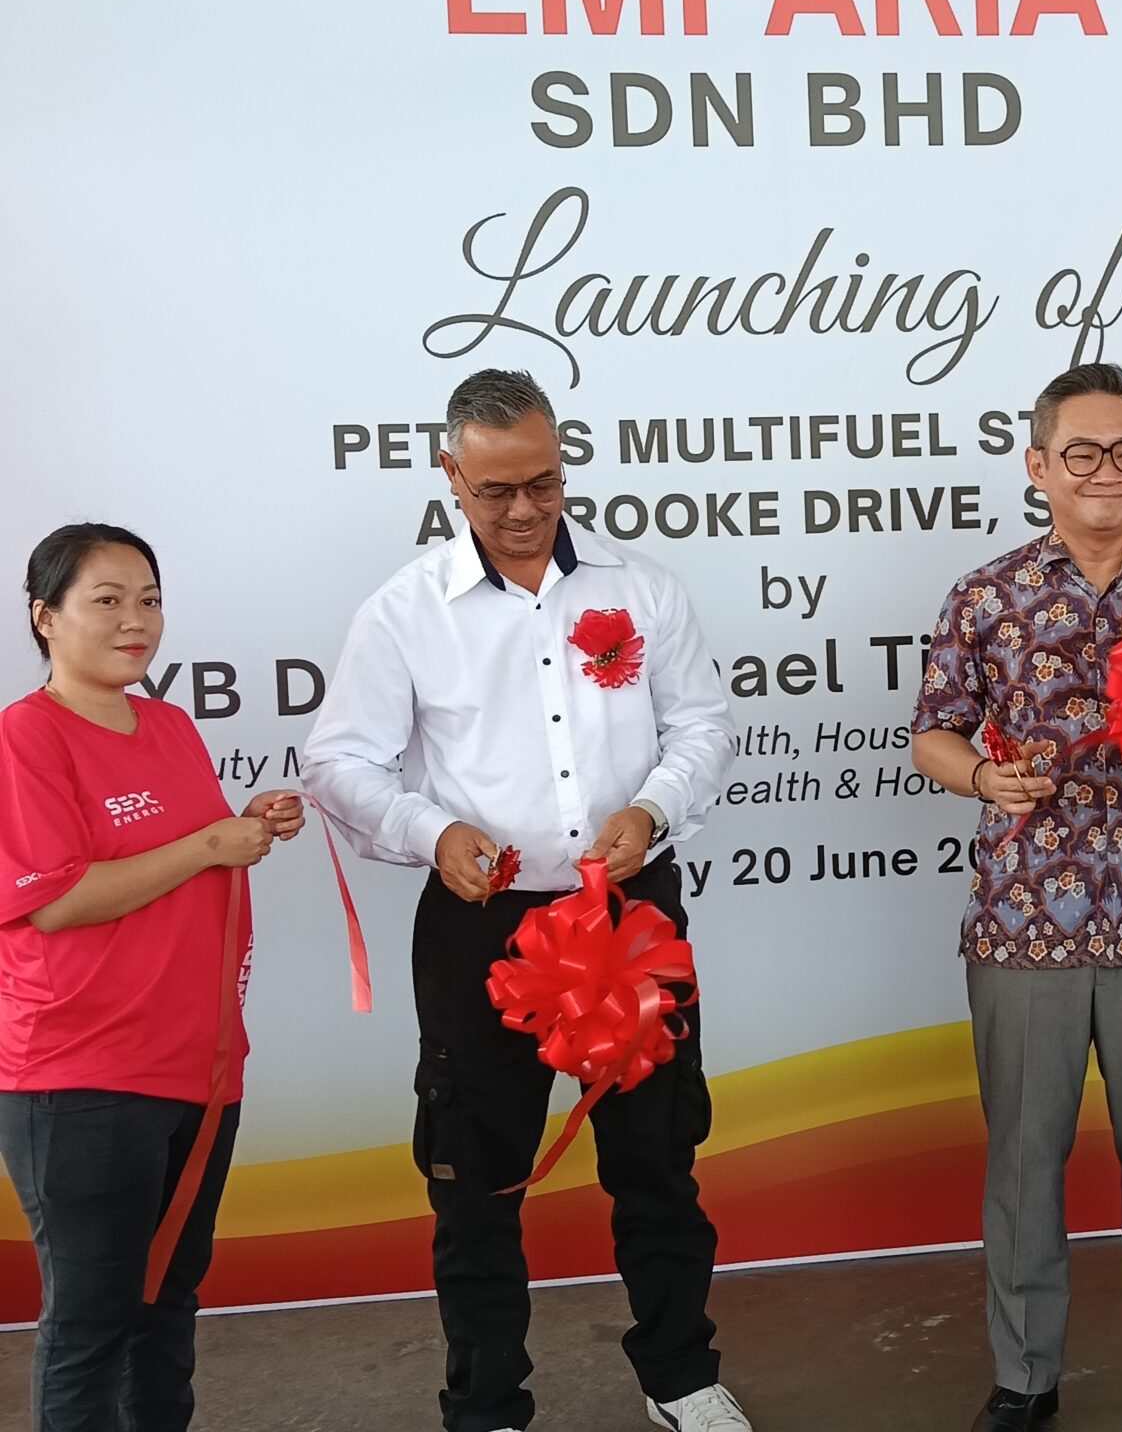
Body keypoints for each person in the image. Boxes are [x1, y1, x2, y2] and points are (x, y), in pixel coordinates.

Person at [302, 370, 743, 1432]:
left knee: (656, 1156)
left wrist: (653, 808)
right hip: (483, 930)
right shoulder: (407, 610)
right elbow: (339, 762)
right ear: (450, 476)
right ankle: (488, 1403)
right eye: (495, 488)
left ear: (563, 465)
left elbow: (702, 726)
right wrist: (430, 831)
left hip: (626, 917)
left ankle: (681, 1377)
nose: (522, 509)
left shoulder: (642, 589)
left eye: (542, 483)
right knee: (475, 1177)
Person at [910, 363, 1122, 1432]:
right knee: (1024, 1164)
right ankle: (1024, 1379)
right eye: (1082, 453)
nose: (1107, 471)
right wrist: (984, 778)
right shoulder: (986, 594)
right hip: (1024, 921)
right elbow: (932, 733)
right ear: (1038, 466)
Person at [0, 523, 303, 1432]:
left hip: (197, 1066)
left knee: (166, 1303)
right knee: (92, 1324)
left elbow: (171, 858)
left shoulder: (168, 724)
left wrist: (245, 825)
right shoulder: (26, 736)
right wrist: (211, 844)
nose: (136, 621)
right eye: (107, 601)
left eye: (150, 600)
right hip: (83, 1073)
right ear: (45, 617)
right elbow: (56, 901)